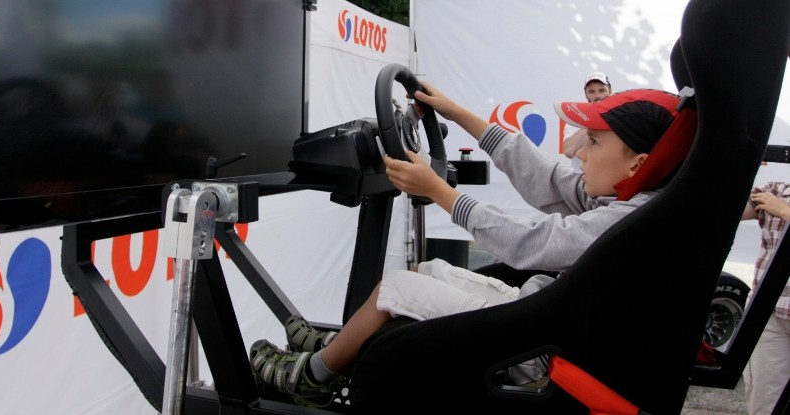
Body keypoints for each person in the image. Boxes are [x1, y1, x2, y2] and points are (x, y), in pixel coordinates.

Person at [249, 85, 694, 407]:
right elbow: (547, 179)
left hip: (539, 350)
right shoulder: (637, 199)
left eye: (593, 143)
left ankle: (313, 377)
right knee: (427, 272)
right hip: (547, 321)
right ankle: (338, 345)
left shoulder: (628, 220)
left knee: (398, 288)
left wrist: (440, 190)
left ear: (638, 162)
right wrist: (459, 113)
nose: (579, 153)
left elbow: (529, 244)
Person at [741, 180, 790, 415]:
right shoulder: (777, 190)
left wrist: (783, 210)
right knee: (764, 400)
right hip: (770, 313)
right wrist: (741, 160)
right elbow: (726, 209)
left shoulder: (777, 201)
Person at [562, 71, 613, 169]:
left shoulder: (621, 116)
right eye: (592, 92)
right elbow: (569, 151)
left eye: (602, 90)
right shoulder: (575, 117)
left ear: (610, 91)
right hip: (582, 181)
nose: (597, 96)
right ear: (586, 94)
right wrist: (596, 119)